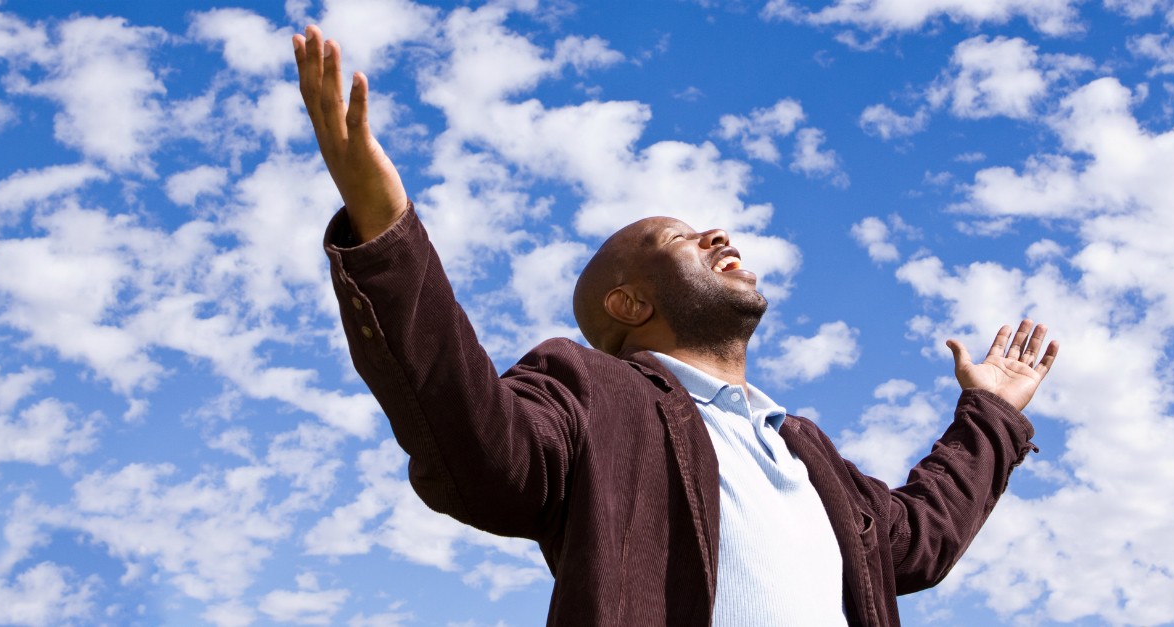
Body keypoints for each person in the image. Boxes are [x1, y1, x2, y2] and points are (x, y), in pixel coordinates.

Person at [293, 25, 1059, 627]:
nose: (717, 233)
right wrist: (386, 234)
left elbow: (918, 536)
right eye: (678, 237)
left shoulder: (805, 452)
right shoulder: (590, 392)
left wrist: (989, 413)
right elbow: (479, 444)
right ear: (630, 305)